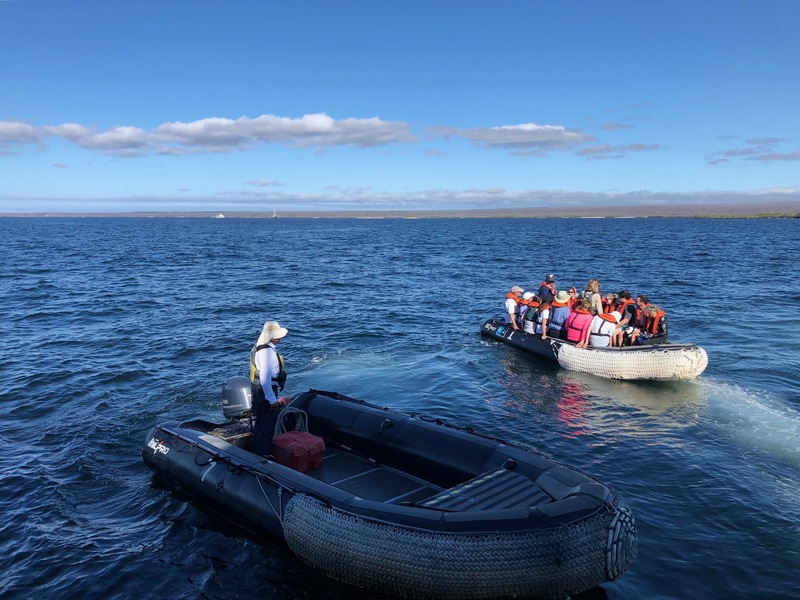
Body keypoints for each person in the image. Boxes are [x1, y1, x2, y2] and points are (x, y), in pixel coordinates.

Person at [250, 320, 290, 455]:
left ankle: (258, 450)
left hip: (261, 391)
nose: (279, 338)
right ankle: (263, 454)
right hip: (265, 391)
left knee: (261, 424)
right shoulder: (266, 352)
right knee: (266, 425)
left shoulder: (263, 347)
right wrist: (272, 399)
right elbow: (265, 378)